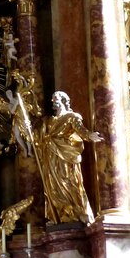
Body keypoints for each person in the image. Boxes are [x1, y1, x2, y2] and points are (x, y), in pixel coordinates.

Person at [36, 91, 102, 224]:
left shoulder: (72, 117)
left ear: (64, 100)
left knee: (69, 181)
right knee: (52, 186)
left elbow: (81, 130)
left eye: (56, 99)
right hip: (50, 156)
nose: (53, 101)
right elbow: (39, 139)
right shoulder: (49, 120)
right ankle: (60, 214)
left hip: (65, 155)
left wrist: (89, 135)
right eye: (53, 99)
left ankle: (75, 212)